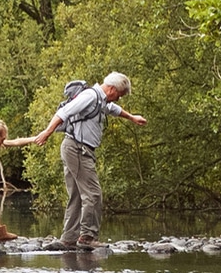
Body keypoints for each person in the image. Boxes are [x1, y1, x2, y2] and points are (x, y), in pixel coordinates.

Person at [29, 72, 147, 249]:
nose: (119, 99)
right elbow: (64, 112)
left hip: (75, 148)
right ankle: (87, 237)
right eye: (119, 95)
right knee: (93, 194)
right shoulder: (90, 96)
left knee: (76, 194)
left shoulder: (101, 100)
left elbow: (113, 109)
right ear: (112, 89)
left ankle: (69, 238)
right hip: (78, 149)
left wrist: (131, 117)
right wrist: (47, 132)